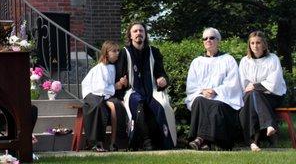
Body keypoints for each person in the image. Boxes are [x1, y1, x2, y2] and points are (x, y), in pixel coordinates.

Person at [114, 21, 176, 150]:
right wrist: (121, 82)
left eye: (141, 31)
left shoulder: (154, 51)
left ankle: (165, 143)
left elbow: (161, 73)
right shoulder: (124, 53)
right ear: (130, 36)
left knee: (162, 106)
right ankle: (147, 142)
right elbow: (118, 78)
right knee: (139, 105)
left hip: (152, 90)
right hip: (133, 91)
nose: (138, 34)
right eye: (135, 31)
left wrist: (162, 80)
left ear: (145, 34)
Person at [186, 27, 242, 150]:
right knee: (199, 101)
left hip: (223, 96)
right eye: (205, 38)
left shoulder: (228, 59)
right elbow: (191, 84)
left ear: (218, 40)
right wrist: (202, 91)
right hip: (202, 94)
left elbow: (233, 82)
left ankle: (201, 139)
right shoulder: (197, 62)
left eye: (212, 37)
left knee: (216, 105)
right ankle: (205, 142)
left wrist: (216, 91)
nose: (208, 40)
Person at [239, 31, 287, 151]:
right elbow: (242, 82)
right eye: (252, 43)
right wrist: (253, 88)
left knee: (254, 94)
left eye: (258, 42)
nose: (255, 45)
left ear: (264, 45)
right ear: (249, 45)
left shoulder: (272, 59)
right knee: (252, 96)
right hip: (250, 96)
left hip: (272, 96)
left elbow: (274, 82)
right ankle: (269, 125)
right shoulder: (245, 61)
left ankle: (252, 142)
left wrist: (255, 86)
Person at [81, 40, 127, 152]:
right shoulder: (100, 68)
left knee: (116, 106)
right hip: (92, 93)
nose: (117, 53)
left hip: (106, 94)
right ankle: (97, 142)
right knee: (98, 106)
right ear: (106, 53)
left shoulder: (114, 66)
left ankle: (114, 142)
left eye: (118, 51)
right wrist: (115, 86)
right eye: (114, 51)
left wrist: (122, 82)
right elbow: (99, 88)